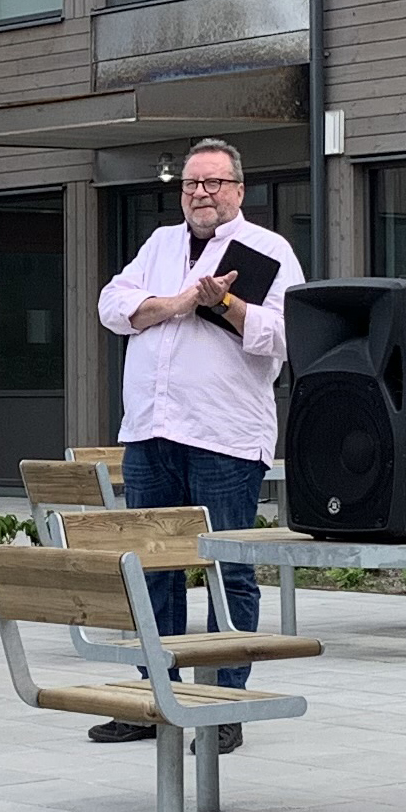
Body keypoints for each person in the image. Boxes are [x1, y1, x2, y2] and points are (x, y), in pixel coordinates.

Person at [93, 137, 305, 754]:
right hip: (149, 432)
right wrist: (182, 301)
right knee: (148, 570)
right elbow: (112, 305)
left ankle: (223, 706)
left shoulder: (267, 249)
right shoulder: (159, 244)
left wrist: (230, 303)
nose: (200, 194)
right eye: (190, 184)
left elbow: (287, 336)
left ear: (239, 189)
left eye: (213, 183)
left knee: (228, 570)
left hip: (223, 436)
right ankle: (156, 698)